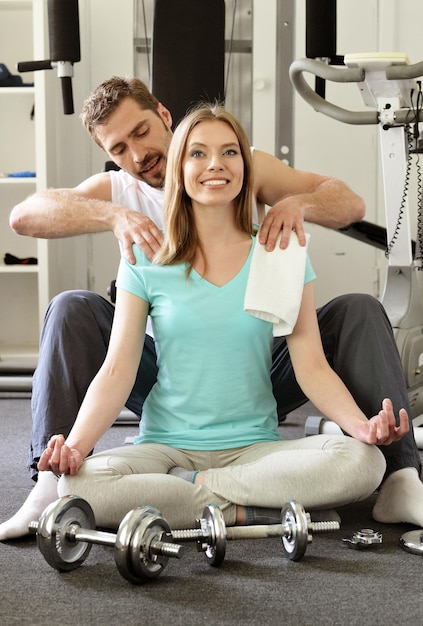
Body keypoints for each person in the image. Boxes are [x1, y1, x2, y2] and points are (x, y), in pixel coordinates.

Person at [0, 78, 421, 540]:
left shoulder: (267, 223)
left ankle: (401, 477)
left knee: (362, 449)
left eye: (140, 132)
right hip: (163, 379)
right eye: (120, 147)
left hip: (254, 376)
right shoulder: (126, 212)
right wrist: (113, 215)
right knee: (70, 310)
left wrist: (295, 203)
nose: (137, 154)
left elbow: (349, 205)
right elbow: (24, 218)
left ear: (164, 116)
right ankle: (51, 481)